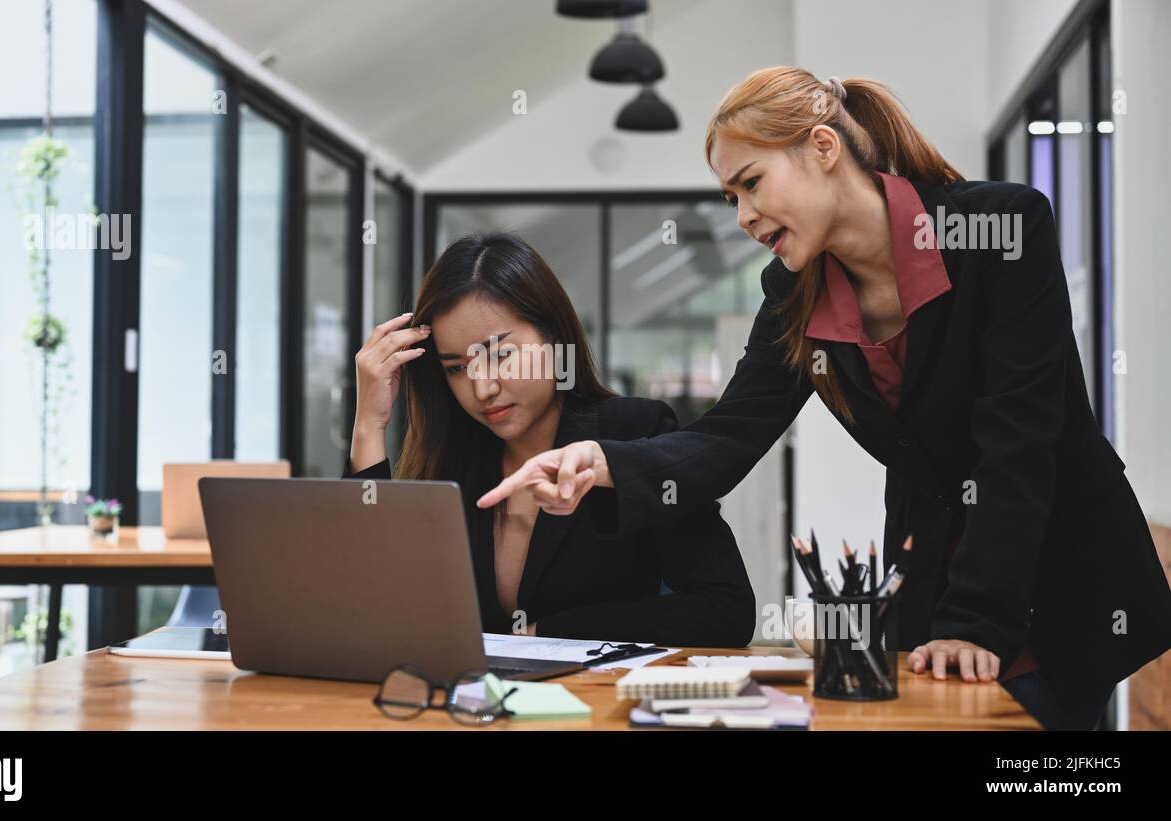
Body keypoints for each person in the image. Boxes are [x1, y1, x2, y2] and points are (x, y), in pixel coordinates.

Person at [478, 67, 1171, 730]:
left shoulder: (1002, 229)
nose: (744, 216)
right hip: (935, 586)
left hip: (1060, 579)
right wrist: (602, 461)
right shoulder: (795, 294)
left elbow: (1016, 440)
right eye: (731, 198)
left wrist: (975, 622)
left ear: (823, 146)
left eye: (751, 183)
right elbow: (728, 435)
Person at [344, 231, 756, 647]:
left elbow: (725, 609)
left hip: (596, 706)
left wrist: (552, 635)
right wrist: (368, 427)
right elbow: (365, 607)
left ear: (554, 339)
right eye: (456, 367)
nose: (482, 387)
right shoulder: (451, 459)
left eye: (501, 355)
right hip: (468, 708)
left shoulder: (634, 432)